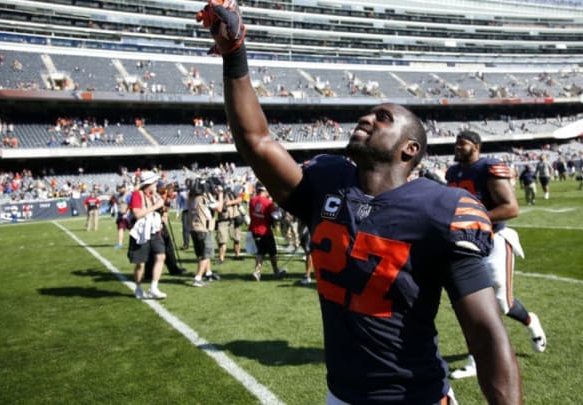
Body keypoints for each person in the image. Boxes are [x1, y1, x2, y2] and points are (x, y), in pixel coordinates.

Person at [199, 2, 521, 402]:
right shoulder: (329, 182)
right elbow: (256, 142)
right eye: (368, 114)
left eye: (383, 117)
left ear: (410, 148)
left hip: (414, 396)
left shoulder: (442, 210)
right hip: (342, 395)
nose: (368, 119)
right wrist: (234, 55)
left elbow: (486, 334)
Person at [445, 130, 547, 380]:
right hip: (465, 243)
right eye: (456, 143)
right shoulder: (452, 172)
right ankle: (475, 360)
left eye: (463, 143)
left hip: (494, 241)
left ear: (476, 146)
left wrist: (473, 218)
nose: (458, 147)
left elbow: (511, 208)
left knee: (502, 303)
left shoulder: (488, 167)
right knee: (470, 302)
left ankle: (531, 321)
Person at [127, 171, 167, 299]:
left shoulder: (154, 195)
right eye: (154, 182)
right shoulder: (137, 195)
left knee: (161, 256)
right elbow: (137, 214)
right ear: (149, 183)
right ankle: (138, 287)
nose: (156, 184)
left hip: (155, 231)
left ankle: (154, 287)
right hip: (141, 233)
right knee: (141, 263)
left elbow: (161, 205)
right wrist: (155, 207)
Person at [188, 176, 224, 287]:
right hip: (204, 227)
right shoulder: (205, 196)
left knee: (202, 253)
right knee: (206, 254)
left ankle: (208, 273)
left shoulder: (190, 196)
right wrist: (221, 195)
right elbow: (219, 208)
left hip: (194, 228)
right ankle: (197, 278)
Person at [248, 183, 286, 281]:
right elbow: (276, 216)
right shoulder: (267, 202)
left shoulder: (252, 200)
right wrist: (279, 209)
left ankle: (257, 272)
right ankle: (275, 271)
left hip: (254, 230)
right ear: (264, 190)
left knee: (260, 252)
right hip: (265, 231)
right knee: (272, 252)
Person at [215, 183, 244, 263]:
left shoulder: (232, 194)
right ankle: (221, 258)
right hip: (223, 219)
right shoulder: (217, 195)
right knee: (222, 241)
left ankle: (237, 255)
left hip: (234, 218)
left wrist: (229, 202)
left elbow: (239, 199)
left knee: (237, 239)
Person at [113, 183, 131, 249]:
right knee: (120, 229)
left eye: (121, 188)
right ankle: (120, 243)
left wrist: (127, 213)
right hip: (121, 215)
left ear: (124, 188)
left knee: (132, 230)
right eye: (119, 188)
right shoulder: (118, 196)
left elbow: (131, 205)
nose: (119, 189)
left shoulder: (128, 195)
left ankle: (135, 243)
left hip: (128, 215)